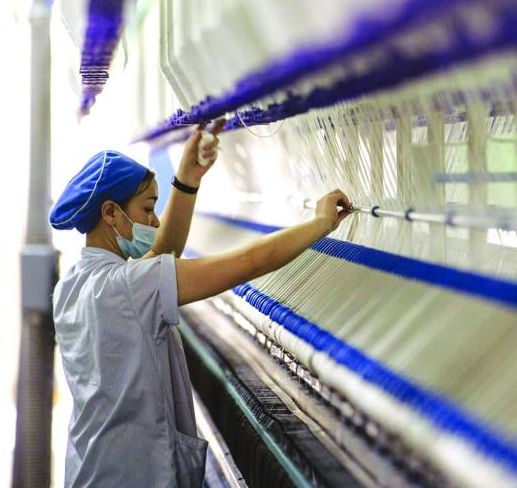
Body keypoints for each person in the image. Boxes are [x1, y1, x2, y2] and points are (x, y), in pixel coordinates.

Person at [48, 121, 351, 487]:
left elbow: (162, 252)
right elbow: (251, 262)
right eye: (147, 209)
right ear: (111, 213)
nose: (155, 220)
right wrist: (320, 223)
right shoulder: (131, 286)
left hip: (93, 470)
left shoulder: (75, 284)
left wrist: (188, 179)